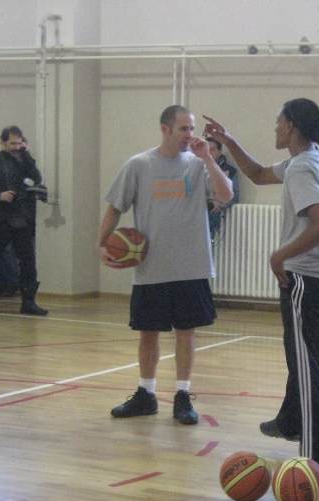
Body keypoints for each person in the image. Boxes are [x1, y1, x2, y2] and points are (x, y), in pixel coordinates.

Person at [204, 99, 319, 490]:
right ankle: (290, 419)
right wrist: (228, 140)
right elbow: (259, 173)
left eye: (278, 122)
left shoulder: (302, 168)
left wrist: (278, 255)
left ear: (292, 127)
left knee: (306, 366)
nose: (275, 128)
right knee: (304, 356)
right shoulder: (312, 157)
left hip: (305, 275)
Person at [97, 105, 233, 425]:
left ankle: (182, 396)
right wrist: (101, 243)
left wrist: (208, 159)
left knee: (186, 332)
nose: (190, 135)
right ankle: (146, 394)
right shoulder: (140, 165)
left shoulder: (199, 165)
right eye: (183, 128)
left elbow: (226, 195)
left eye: (192, 129)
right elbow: (115, 207)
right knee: (148, 333)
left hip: (191, 265)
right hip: (152, 266)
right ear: (165, 129)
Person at [0, 126, 48, 316]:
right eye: (12, 143)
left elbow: (36, 178)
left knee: (28, 260)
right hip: (1, 217)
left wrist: (26, 156)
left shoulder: (24, 161)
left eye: (19, 143)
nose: (16, 147)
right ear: (3, 142)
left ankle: (28, 301)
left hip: (23, 217)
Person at [205, 136, 239, 242]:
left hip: (213, 214)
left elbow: (234, 197)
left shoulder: (230, 171)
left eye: (212, 149)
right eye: (206, 149)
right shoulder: (196, 169)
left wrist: (219, 205)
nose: (209, 153)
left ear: (219, 152)